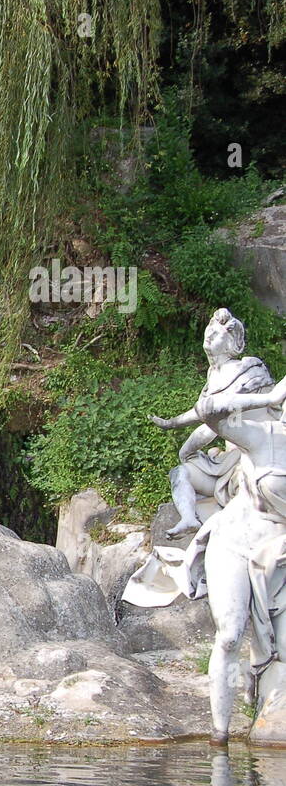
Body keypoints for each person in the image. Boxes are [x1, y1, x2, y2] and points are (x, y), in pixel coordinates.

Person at [175, 309, 286, 743]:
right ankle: (219, 735)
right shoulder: (262, 437)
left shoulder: (262, 417)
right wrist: (266, 401)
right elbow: (212, 413)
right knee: (229, 634)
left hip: (276, 545)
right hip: (238, 540)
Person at [148, 311, 279, 536]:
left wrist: (174, 427)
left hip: (255, 453)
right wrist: (173, 426)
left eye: (216, 334)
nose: (208, 337)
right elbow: (210, 420)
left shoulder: (246, 369)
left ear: (231, 344)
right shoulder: (212, 378)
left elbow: (219, 416)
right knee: (181, 473)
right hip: (227, 461)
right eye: (209, 331)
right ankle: (189, 519)